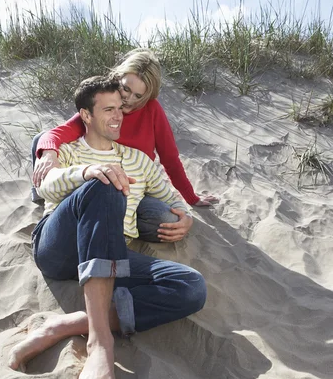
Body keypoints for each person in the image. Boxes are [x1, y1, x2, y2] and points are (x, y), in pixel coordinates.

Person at [9, 76, 207, 379]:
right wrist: (89, 170)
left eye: (120, 109)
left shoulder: (138, 159)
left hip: (112, 253)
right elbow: (48, 185)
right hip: (61, 250)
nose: (117, 116)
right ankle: (100, 342)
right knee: (104, 185)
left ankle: (70, 324)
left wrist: (185, 215)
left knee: (191, 287)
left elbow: (169, 195)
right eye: (108, 110)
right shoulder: (66, 151)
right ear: (85, 115)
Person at [31, 48, 218, 244]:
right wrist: (50, 154)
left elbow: (170, 159)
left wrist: (191, 198)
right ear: (118, 79)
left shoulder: (152, 111)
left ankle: (121, 225)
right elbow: (56, 134)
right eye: (126, 89)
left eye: (138, 96)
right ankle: (43, 196)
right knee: (42, 142)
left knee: (168, 220)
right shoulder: (105, 104)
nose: (129, 99)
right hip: (98, 183)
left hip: (135, 190)